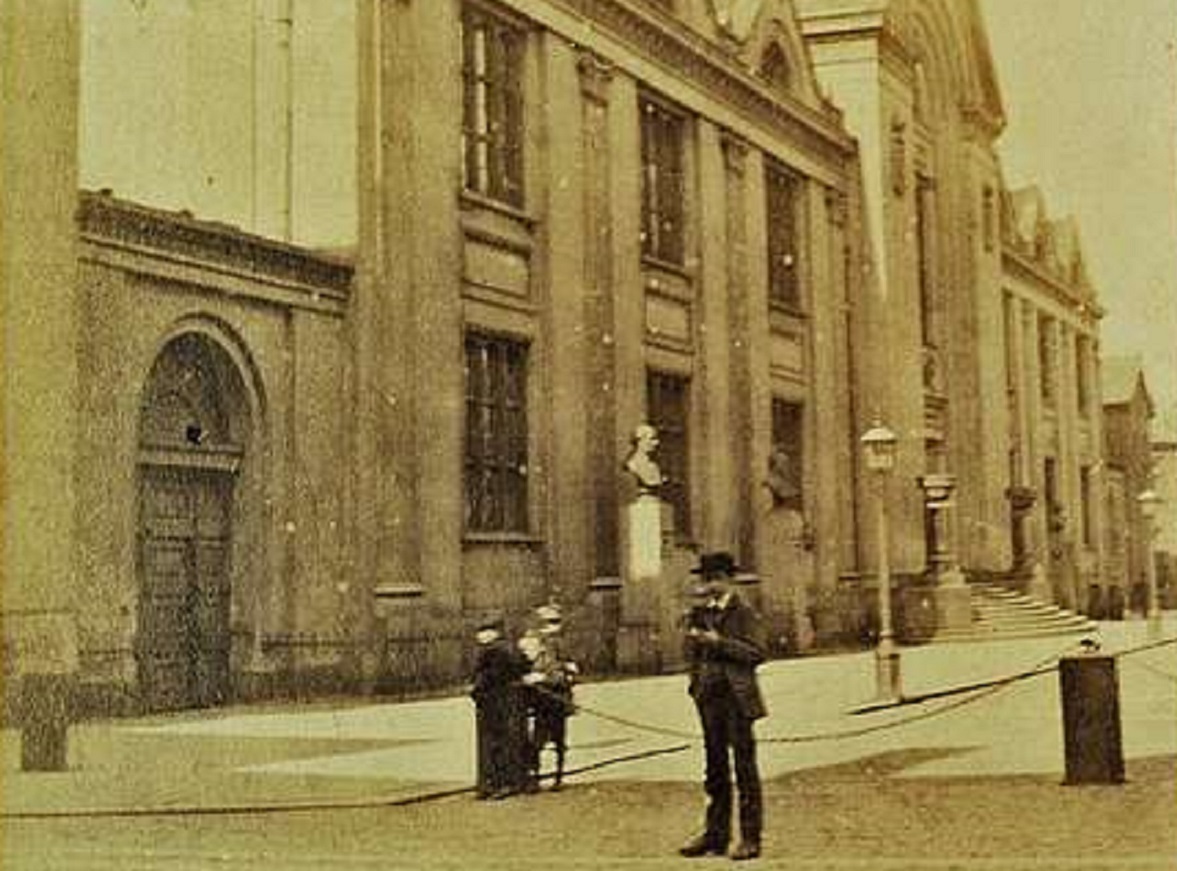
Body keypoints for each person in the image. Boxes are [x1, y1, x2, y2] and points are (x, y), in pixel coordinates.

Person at [679, 552, 767, 861]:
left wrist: (719, 643)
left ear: (728, 579)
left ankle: (750, 838)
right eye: (705, 579)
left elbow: (757, 653)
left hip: (737, 699)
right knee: (714, 769)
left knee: (744, 769)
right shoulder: (699, 613)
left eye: (714, 578)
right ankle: (715, 835)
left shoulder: (744, 612)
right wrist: (695, 684)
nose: (709, 585)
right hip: (709, 699)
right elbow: (691, 652)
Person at [470, 614, 530, 800]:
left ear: (493, 633)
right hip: (505, 703)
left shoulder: (494, 651)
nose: (480, 635)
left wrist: (475, 690)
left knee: (494, 744)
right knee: (503, 743)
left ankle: (498, 784)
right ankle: (505, 782)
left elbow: (488, 678)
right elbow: (522, 667)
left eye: (484, 631)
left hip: (495, 704)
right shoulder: (507, 649)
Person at [519, 604, 579, 790]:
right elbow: (525, 668)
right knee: (536, 742)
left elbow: (570, 673)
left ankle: (558, 777)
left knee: (559, 741)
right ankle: (534, 777)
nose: (552, 627)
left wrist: (546, 677)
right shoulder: (534, 645)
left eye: (555, 622)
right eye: (547, 623)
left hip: (557, 701)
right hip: (540, 702)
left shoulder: (562, 646)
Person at [624, 423, 667, 496]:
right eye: (652, 439)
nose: (657, 443)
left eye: (656, 439)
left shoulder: (654, 464)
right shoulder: (632, 464)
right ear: (639, 441)